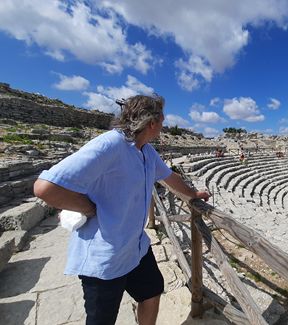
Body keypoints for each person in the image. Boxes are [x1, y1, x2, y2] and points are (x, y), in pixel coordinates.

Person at [33, 94, 211, 325]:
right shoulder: (110, 144)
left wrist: (193, 195)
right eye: (162, 121)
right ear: (152, 123)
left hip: (135, 247)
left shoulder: (146, 151)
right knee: (101, 320)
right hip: (105, 257)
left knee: (152, 292)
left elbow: (168, 177)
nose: (164, 126)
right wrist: (87, 208)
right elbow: (45, 187)